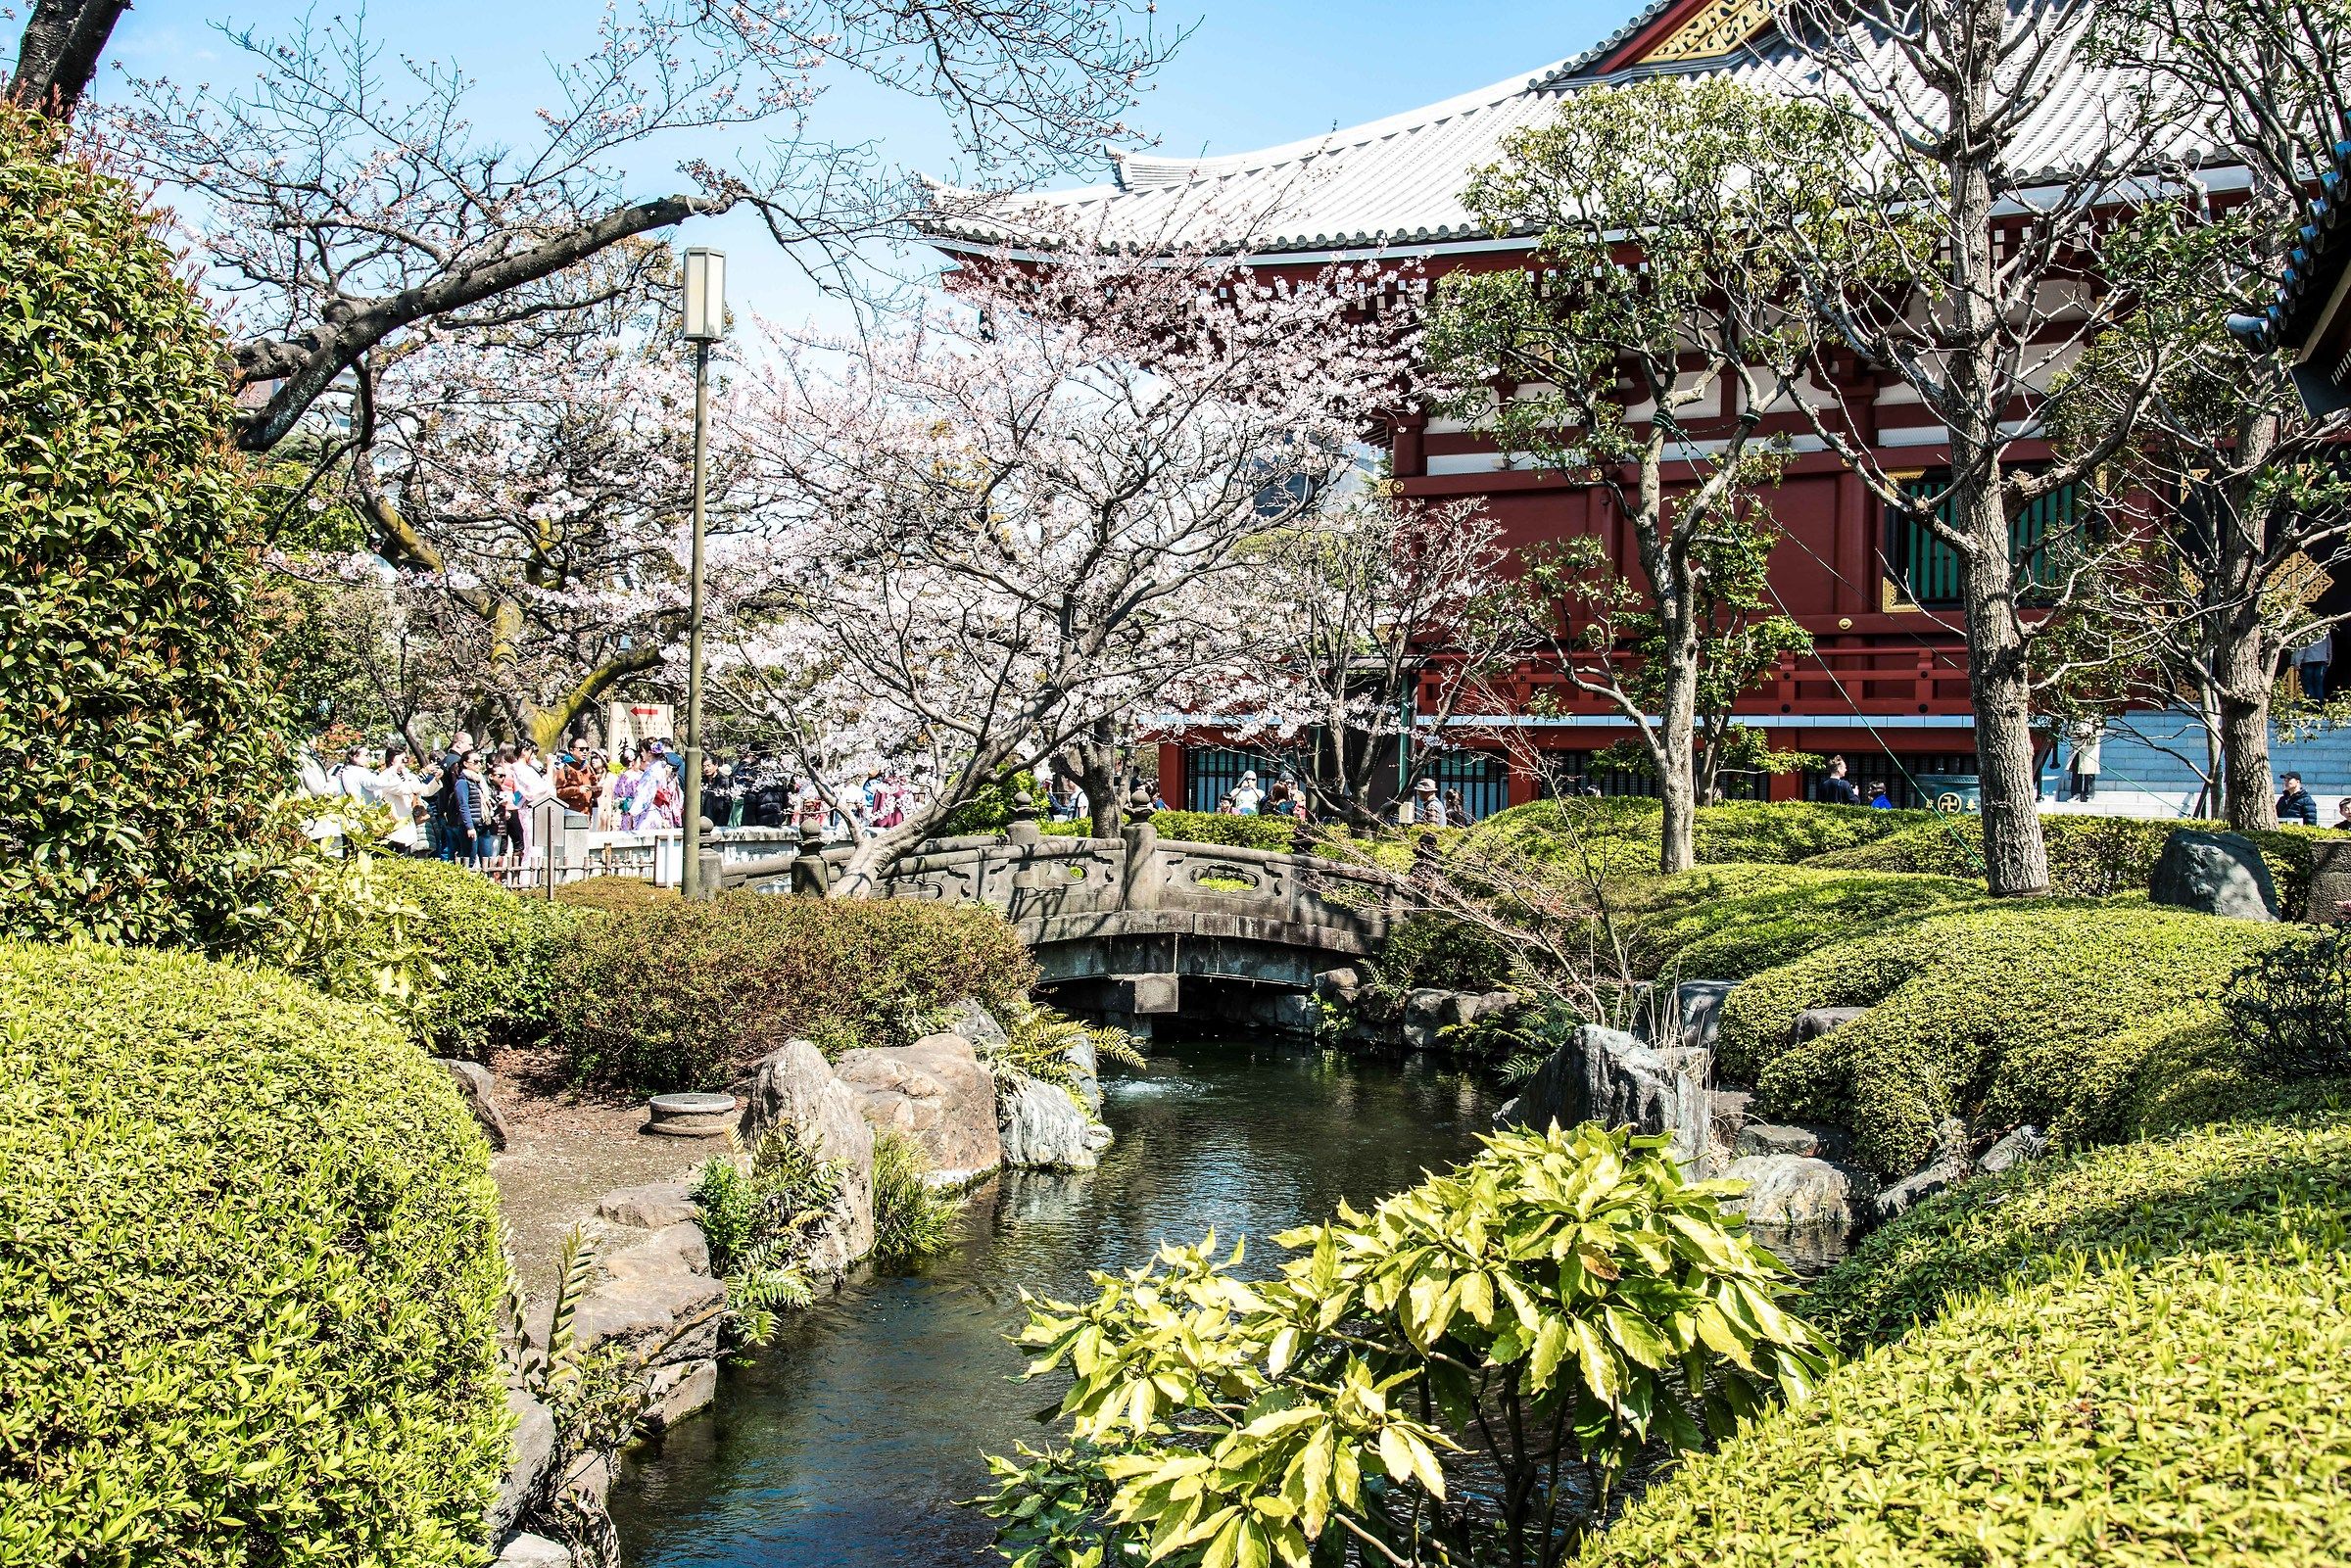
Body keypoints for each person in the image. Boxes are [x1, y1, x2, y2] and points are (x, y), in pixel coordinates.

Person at [2295, 627, 2333, 702]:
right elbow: (2329, 645)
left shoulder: (2307, 629)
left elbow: (2302, 647)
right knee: (2318, 684)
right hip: (2321, 660)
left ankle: (2311, 707)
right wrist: (2329, 657)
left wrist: (2297, 661)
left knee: (2308, 684)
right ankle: (2320, 707)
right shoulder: (2325, 630)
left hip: (2307, 661)